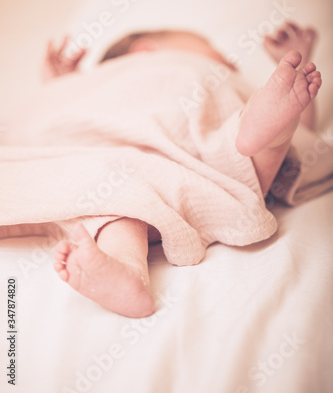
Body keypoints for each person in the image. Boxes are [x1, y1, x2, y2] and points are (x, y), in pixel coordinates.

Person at [46, 22, 321, 318]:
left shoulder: (203, 78)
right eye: (220, 55)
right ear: (145, 51)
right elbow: (58, 112)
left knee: (117, 201)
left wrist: (58, 85)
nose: (231, 64)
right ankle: (124, 272)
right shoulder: (122, 81)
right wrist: (63, 85)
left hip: (171, 146)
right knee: (121, 200)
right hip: (162, 161)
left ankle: (265, 126)